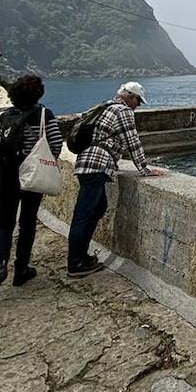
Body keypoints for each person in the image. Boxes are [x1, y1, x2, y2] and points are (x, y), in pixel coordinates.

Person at [67, 80, 165, 277]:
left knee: (98, 208)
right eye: (138, 101)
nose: (138, 106)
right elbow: (132, 141)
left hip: (86, 162)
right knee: (83, 214)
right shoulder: (123, 111)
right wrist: (145, 169)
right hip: (97, 165)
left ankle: (82, 256)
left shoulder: (104, 106)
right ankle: (75, 263)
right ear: (130, 97)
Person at [0, 74, 64, 299]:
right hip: (31, 178)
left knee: (3, 224)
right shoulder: (43, 115)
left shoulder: (5, 116)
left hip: (7, 177)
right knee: (27, 222)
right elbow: (56, 143)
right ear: (38, 94)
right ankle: (21, 269)